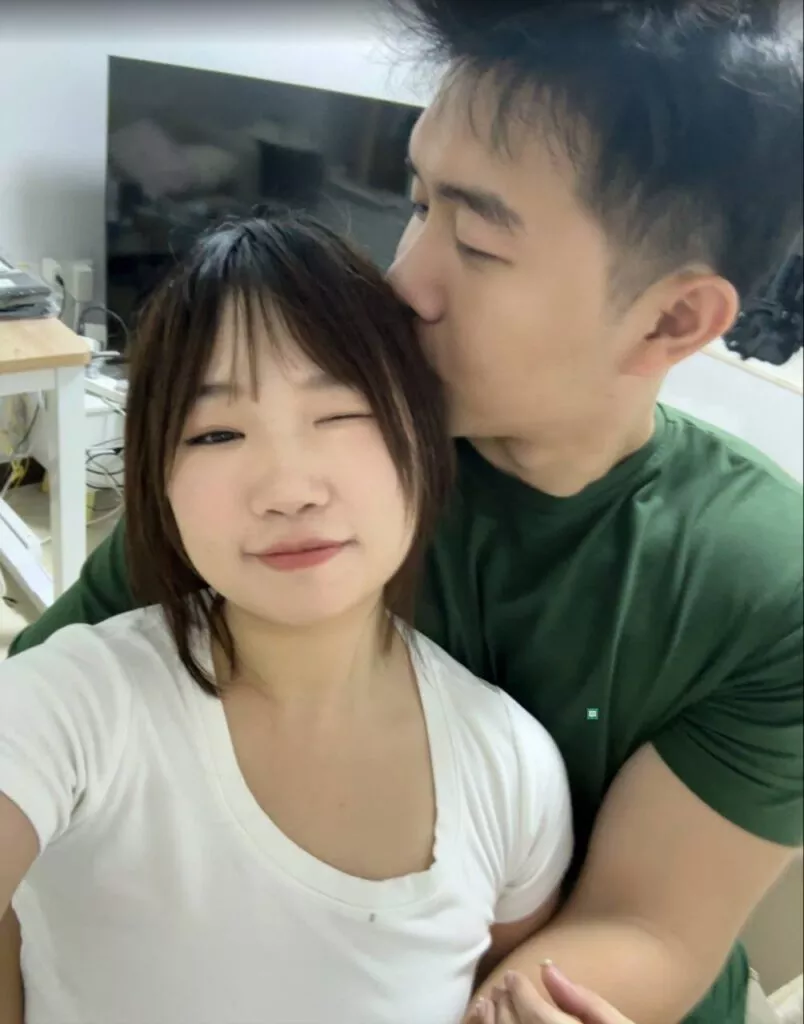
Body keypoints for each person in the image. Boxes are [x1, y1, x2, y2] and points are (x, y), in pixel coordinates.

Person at [3, 0, 803, 1021]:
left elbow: (651, 926)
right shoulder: (289, 490)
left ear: (673, 318)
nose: (403, 277)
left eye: (478, 240)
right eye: (418, 203)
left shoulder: (765, 579)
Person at [0, 216, 573, 1023]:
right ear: (158, 481)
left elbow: (505, 989)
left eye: (340, 414)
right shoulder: (72, 705)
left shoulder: (512, 767)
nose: (288, 489)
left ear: (423, 438)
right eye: (216, 432)